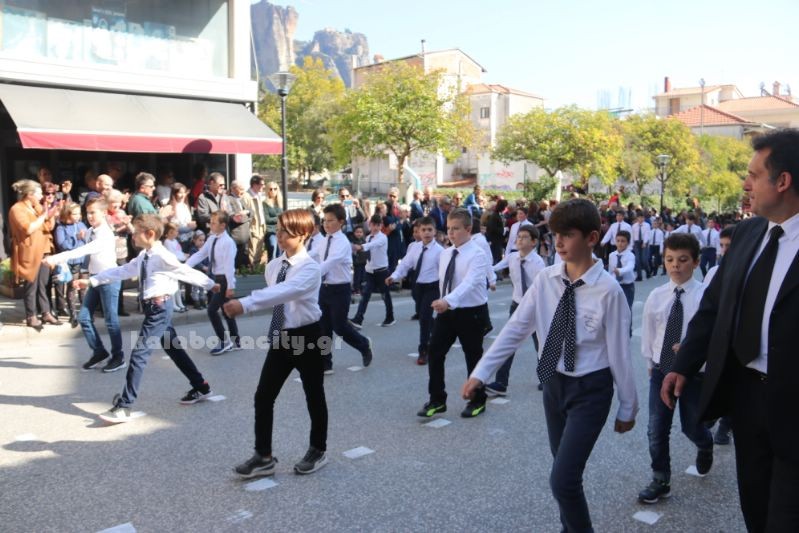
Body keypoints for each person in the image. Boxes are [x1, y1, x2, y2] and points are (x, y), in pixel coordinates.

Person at [462, 199, 638, 533]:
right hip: (554, 384)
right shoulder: (546, 280)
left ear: (591, 238)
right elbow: (516, 328)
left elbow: (619, 353)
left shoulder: (609, 291)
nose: (558, 242)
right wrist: (481, 372)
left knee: (563, 480)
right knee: (564, 471)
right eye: (555, 234)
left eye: (568, 235)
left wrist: (628, 406)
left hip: (590, 390)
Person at [661, 129, 799, 532]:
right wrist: (683, 364)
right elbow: (713, 307)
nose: (745, 184)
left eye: (753, 175)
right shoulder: (748, 234)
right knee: (755, 508)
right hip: (747, 398)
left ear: (783, 181)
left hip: (794, 404)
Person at [77, 214, 220, 423]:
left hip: (159, 309)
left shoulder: (162, 256)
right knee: (174, 349)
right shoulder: (144, 255)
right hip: (154, 308)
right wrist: (93, 280)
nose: (133, 236)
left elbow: (184, 271)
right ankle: (201, 387)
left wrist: (211, 285)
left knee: (139, 354)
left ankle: (124, 406)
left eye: (136, 232)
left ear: (150, 234)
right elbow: (123, 270)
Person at [225, 209, 329, 477]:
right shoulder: (274, 266)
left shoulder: (310, 268)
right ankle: (263, 456)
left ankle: (318, 449)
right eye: (278, 230)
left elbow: (285, 291)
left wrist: (246, 303)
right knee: (263, 396)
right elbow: (274, 295)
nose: (279, 236)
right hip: (281, 336)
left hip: (307, 337)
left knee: (314, 394)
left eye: (286, 232)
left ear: (303, 235)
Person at [638, 233, 713, 504]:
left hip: (694, 374)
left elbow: (713, 335)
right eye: (669, 260)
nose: (675, 265)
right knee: (656, 428)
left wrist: (693, 351)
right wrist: (650, 363)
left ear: (696, 262)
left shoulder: (706, 296)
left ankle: (705, 444)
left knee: (691, 426)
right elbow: (649, 331)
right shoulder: (657, 296)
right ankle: (661, 478)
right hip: (661, 371)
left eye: (682, 260)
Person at [418, 208, 490, 419]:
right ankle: (437, 400)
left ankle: (478, 400)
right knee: (435, 352)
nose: (450, 232)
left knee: (473, 357)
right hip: (447, 312)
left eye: (456, 228)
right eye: (449, 228)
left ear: (468, 229)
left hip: (471, 313)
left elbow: (470, 283)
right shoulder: (445, 253)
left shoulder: (477, 254)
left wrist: (447, 300)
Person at [45, 198, 126, 371]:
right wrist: (82, 274)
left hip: (109, 279)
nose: (89, 216)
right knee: (83, 318)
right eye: (87, 213)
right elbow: (87, 257)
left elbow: (83, 250)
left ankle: (118, 357)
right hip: (95, 278)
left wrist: (56, 258)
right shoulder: (90, 231)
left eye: (93, 212)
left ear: (103, 213)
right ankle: (99, 352)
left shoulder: (104, 234)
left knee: (111, 320)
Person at [485, 225, 546, 396]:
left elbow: (543, 288)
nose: (519, 240)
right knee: (508, 342)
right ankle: (500, 383)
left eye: (524, 237)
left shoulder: (538, 263)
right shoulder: (512, 257)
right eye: (518, 236)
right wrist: (485, 271)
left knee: (540, 343)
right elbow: (495, 267)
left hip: (534, 307)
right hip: (517, 305)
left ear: (533, 242)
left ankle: (547, 378)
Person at [317, 204, 373, 373]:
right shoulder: (325, 240)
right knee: (323, 327)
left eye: (330, 220)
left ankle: (364, 344)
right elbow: (313, 256)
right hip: (324, 288)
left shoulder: (342, 243)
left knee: (339, 327)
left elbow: (330, 262)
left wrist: (310, 275)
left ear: (341, 222)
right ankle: (325, 363)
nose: (326, 224)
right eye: (324, 220)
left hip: (339, 290)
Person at [387, 217, 442, 365]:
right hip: (418, 286)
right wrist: (394, 276)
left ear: (435, 232)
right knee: (424, 315)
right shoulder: (415, 248)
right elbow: (405, 264)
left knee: (424, 318)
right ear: (419, 232)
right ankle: (439, 330)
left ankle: (424, 350)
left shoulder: (440, 251)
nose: (426, 233)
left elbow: (444, 274)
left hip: (433, 287)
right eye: (423, 230)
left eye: (430, 230)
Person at [186, 210, 240, 355]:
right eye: (210, 222)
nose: (210, 225)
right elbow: (200, 254)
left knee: (211, 310)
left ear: (223, 225)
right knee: (227, 310)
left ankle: (225, 341)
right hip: (217, 278)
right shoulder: (212, 239)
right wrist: (184, 267)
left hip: (224, 280)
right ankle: (236, 341)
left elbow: (229, 266)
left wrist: (230, 286)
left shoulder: (228, 242)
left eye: (214, 223)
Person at [8, 179, 60, 328]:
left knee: (43, 283)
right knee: (31, 285)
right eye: (38, 193)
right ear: (29, 194)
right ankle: (31, 316)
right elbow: (28, 228)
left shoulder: (36, 206)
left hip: (44, 248)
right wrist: (43, 216)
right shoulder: (17, 209)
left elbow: (48, 226)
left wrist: (51, 213)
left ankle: (46, 312)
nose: (41, 196)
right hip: (29, 250)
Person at [701, 224, 734, 446]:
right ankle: (712, 413)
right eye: (721, 245)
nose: (724, 250)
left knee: (733, 384)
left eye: (728, 246)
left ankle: (725, 426)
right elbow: (703, 306)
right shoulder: (713, 272)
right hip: (716, 335)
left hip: (736, 337)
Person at [349, 215, 395, 328]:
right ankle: (358, 319)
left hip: (382, 271)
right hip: (370, 272)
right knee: (365, 296)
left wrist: (361, 247)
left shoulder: (383, 238)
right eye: (373, 225)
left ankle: (390, 317)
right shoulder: (368, 237)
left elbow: (372, 245)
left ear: (381, 226)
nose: (375, 227)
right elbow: (367, 252)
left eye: (378, 225)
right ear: (370, 225)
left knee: (385, 295)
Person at [53, 202, 87, 325]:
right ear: (67, 214)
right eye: (74, 214)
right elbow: (62, 244)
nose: (78, 216)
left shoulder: (81, 224)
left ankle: (85, 313)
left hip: (83, 260)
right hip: (71, 262)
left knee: (83, 288)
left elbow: (88, 241)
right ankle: (73, 315)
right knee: (72, 287)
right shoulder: (61, 228)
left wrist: (85, 237)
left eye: (79, 213)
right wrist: (76, 238)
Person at [162, 222, 188, 313]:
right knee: (172, 286)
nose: (177, 233)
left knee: (177, 286)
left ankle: (179, 303)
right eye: (176, 231)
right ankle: (173, 304)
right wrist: (183, 257)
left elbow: (178, 252)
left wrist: (184, 255)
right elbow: (172, 255)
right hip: (171, 267)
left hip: (177, 265)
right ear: (170, 232)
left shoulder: (175, 241)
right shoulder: (167, 242)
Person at [608, 230, 636, 313]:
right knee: (615, 309)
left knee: (627, 309)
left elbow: (630, 267)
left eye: (623, 241)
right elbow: (610, 271)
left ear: (628, 243)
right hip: (615, 285)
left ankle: (628, 322)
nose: (620, 243)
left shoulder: (630, 255)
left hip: (627, 286)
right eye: (618, 241)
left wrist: (619, 271)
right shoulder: (612, 255)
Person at [241, 175, 266, 266]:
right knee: (253, 252)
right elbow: (245, 214)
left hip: (261, 226)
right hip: (253, 228)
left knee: (259, 251)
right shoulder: (246, 196)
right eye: (261, 184)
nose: (263, 186)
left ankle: (257, 269)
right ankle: (252, 271)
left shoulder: (259, 195)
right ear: (254, 185)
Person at [188, 230, 209, 310]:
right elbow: (195, 261)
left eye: (203, 240)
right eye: (200, 240)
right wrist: (203, 267)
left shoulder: (204, 249)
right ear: (194, 240)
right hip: (195, 272)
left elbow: (207, 259)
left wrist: (208, 266)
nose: (202, 242)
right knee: (195, 287)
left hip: (203, 272)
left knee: (202, 287)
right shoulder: (193, 250)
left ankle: (202, 300)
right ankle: (196, 301)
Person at [263, 181, 283, 261]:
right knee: (272, 248)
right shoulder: (265, 203)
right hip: (270, 231)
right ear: (267, 190)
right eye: (270, 189)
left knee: (280, 252)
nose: (273, 191)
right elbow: (267, 219)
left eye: (275, 189)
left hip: (280, 231)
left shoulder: (280, 203)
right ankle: (270, 268)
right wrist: (278, 218)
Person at [631, 211, 651, 281]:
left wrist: (645, 242)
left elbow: (647, 234)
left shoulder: (647, 225)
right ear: (637, 218)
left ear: (644, 218)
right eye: (639, 217)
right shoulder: (634, 226)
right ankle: (639, 276)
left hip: (644, 242)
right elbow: (632, 236)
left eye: (642, 217)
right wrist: (632, 245)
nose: (641, 219)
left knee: (644, 259)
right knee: (637, 260)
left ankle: (648, 271)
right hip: (636, 243)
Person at [349, 224, 367, 295]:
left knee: (363, 276)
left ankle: (361, 288)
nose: (359, 234)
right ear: (354, 233)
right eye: (357, 232)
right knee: (357, 276)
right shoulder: (352, 241)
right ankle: (356, 288)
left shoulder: (364, 240)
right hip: (357, 262)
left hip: (363, 261)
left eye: (360, 232)